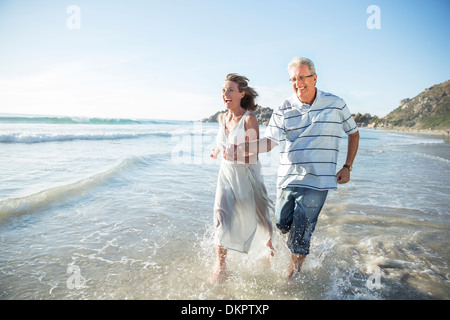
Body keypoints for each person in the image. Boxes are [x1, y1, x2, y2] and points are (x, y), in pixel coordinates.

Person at [226, 57, 360, 279]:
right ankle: (297, 249)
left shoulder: (336, 103)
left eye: (302, 77)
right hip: (288, 178)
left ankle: (293, 274)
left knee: (300, 232)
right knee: (281, 223)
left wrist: (347, 166)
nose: (298, 83)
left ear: (314, 78)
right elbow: (269, 141)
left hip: (319, 180)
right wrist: (244, 147)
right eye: (293, 79)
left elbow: (353, 133)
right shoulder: (284, 107)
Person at [209, 73, 274, 283]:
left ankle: (270, 251)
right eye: (223, 90)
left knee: (261, 219)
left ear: (241, 94)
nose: (225, 94)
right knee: (220, 216)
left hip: (248, 176)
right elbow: (223, 141)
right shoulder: (222, 117)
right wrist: (217, 151)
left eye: (230, 90)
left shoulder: (249, 119)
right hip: (226, 176)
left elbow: (254, 152)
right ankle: (221, 267)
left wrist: (237, 153)